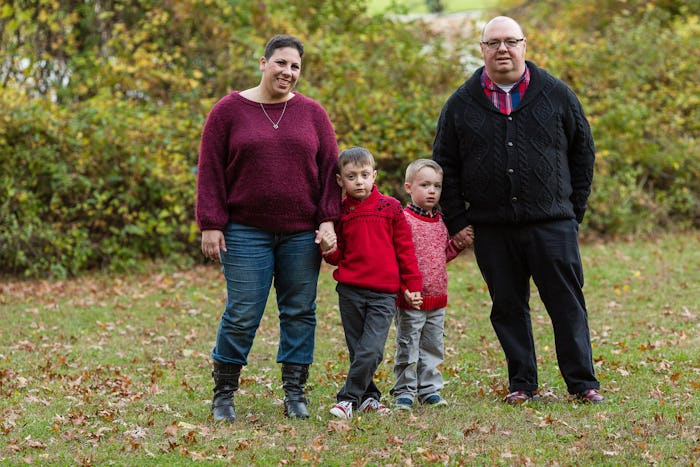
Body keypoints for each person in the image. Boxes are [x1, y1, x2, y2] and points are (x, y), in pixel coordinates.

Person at [432, 16, 603, 404]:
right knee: (507, 308)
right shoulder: (461, 102)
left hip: (553, 224)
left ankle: (582, 383)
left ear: (525, 45)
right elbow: (445, 164)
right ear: (482, 50)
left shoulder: (557, 94)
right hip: (492, 229)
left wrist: (572, 212)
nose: (503, 49)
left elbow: (583, 153)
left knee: (567, 305)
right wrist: (457, 220)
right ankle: (522, 384)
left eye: (511, 41)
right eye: (493, 43)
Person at [195, 34, 342, 421]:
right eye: (281, 63)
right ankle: (223, 394)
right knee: (243, 311)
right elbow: (210, 170)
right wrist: (211, 223)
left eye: (295, 66)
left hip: (300, 233)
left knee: (299, 311)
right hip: (245, 231)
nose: (288, 72)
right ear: (263, 63)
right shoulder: (228, 111)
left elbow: (330, 171)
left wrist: (328, 218)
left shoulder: (313, 114)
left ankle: (295, 393)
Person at [318, 146, 423, 420]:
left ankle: (347, 399)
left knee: (372, 349)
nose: (359, 181)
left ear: (374, 175)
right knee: (358, 350)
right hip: (350, 291)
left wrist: (411, 285)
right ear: (340, 180)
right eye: (351, 176)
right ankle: (369, 398)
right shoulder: (339, 213)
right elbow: (338, 257)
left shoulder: (390, 207)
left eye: (364, 175)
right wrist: (328, 249)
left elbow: (405, 250)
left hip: (383, 294)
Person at [390, 159, 473, 410]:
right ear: (408, 187)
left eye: (436, 186)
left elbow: (439, 256)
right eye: (424, 185)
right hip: (410, 298)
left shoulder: (440, 223)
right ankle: (404, 391)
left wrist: (456, 246)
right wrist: (404, 289)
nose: (431, 191)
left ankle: (430, 390)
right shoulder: (402, 220)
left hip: (437, 297)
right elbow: (395, 259)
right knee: (408, 344)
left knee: (433, 346)